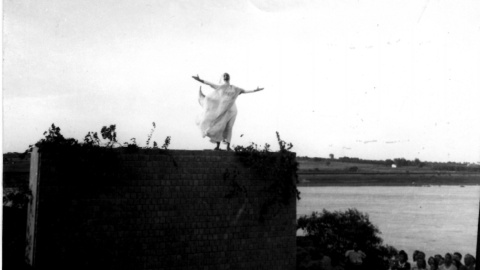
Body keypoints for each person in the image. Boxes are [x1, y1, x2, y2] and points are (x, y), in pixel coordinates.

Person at [193, 73, 264, 151]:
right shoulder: (220, 87)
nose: (226, 76)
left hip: (232, 110)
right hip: (223, 111)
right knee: (220, 126)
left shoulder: (234, 88)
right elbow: (210, 84)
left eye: (227, 75)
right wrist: (199, 80)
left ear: (229, 78)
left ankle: (228, 146)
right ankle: (218, 146)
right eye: (224, 75)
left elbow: (244, 91)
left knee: (229, 127)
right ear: (223, 78)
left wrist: (255, 90)